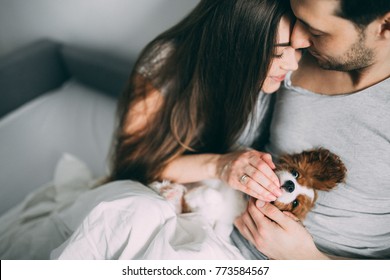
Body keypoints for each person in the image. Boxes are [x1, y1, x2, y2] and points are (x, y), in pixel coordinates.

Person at [233, 0, 390, 259]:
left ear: (385, 24)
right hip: (225, 242)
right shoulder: (294, 60)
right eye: (299, 20)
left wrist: (310, 262)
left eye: (317, 32)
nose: (297, 39)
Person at [108, 0, 301, 203]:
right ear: (235, 44)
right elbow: (131, 164)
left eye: (297, 49)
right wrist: (220, 165)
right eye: (277, 52)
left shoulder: (281, 83)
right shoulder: (166, 63)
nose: (293, 64)